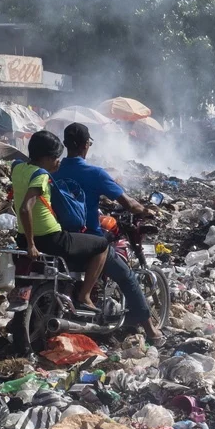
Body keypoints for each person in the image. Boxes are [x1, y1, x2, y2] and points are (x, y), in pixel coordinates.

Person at [57, 122, 161, 342]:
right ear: (86, 146)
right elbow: (128, 203)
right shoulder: (94, 173)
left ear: (66, 144)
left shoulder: (54, 170)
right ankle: (152, 331)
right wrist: (146, 211)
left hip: (60, 238)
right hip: (89, 240)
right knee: (128, 277)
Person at [12, 130, 108, 314]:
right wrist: (32, 245)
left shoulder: (17, 168)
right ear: (46, 157)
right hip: (50, 238)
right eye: (56, 157)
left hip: (22, 237)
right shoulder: (41, 175)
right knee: (102, 245)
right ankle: (84, 296)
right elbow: (25, 208)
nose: (59, 161)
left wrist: (29, 240)